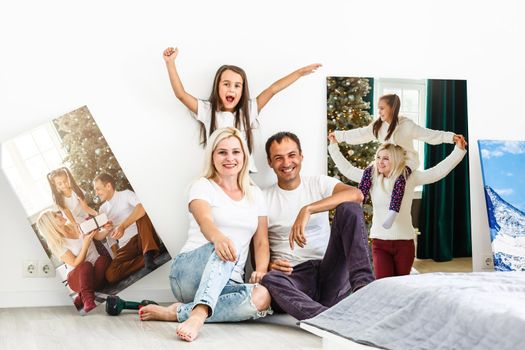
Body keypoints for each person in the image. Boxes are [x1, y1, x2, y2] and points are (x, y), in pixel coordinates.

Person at [139, 127, 272, 342]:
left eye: (236, 152)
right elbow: (205, 222)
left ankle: (177, 312)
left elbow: (262, 242)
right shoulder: (202, 186)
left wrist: (262, 270)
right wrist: (218, 238)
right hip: (189, 273)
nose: (230, 158)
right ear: (212, 156)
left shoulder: (255, 194)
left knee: (262, 297)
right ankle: (198, 315)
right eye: (222, 152)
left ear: (244, 156)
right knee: (227, 245)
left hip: (229, 283)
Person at [259, 131, 374, 321]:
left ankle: (364, 290)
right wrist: (270, 264)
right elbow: (260, 249)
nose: (286, 163)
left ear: (301, 156)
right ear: (270, 163)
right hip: (294, 278)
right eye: (278, 158)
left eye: (291, 155)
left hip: (329, 272)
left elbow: (357, 194)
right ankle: (326, 320)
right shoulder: (262, 198)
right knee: (269, 279)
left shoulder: (318, 183)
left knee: (349, 208)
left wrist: (308, 209)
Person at [328, 135, 467, 279]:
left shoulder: (409, 177)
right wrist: (333, 145)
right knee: (384, 284)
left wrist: (458, 151)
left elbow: (437, 172)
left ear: (395, 160)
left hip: (404, 242)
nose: (380, 162)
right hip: (380, 242)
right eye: (378, 157)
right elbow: (348, 169)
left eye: (386, 158)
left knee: (402, 285)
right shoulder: (371, 177)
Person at [162, 46, 321, 172]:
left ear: (242, 90)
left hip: (244, 171)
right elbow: (181, 95)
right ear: (217, 87)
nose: (231, 89)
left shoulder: (248, 110)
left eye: (237, 86)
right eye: (226, 84)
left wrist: (299, 73)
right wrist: (170, 63)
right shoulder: (207, 111)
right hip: (219, 170)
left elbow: (273, 89)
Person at [329, 93, 466, 229]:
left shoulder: (407, 126)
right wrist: (339, 136)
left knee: (401, 178)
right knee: (367, 175)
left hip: (405, 162)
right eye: (378, 108)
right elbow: (360, 134)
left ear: (392, 108)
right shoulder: (378, 126)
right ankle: (357, 204)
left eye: (382, 108)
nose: (379, 111)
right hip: (388, 161)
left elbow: (428, 134)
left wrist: (451, 137)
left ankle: (393, 210)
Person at [36, 209, 111, 313]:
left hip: (95, 268)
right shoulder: (58, 244)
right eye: (55, 216)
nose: (59, 214)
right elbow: (75, 263)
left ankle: (82, 295)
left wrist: (107, 229)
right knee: (86, 265)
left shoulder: (77, 224)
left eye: (57, 213)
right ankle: (88, 301)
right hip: (78, 277)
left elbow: (98, 236)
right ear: (50, 225)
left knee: (103, 260)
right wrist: (85, 245)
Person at [93, 173, 161, 284]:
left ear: (108, 186)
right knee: (110, 275)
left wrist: (123, 226)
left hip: (143, 238)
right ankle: (148, 257)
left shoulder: (126, 194)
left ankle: (149, 252)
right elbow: (107, 237)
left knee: (141, 213)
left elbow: (141, 208)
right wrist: (96, 233)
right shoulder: (102, 210)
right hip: (127, 247)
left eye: (98, 189)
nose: (96, 193)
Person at [47, 167, 117, 256]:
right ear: (55, 185)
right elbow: (67, 212)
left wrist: (97, 214)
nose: (64, 185)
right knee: (91, 237)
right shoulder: (58, 198)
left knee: (101, 229)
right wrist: (74, 223)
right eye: (60, 184)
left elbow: (85, 208)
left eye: (65, 181)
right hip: (73, 222)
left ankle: (113, 253)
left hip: (84, 218)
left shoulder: (76, 190)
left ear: (68, 178)